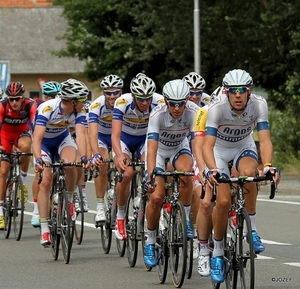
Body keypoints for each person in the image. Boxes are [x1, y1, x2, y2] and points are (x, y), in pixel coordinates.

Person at [202, 69, 281, 283]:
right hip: (218, 150)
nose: (238, 95)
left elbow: (264, 140)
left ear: (249, 91)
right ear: (226, 92)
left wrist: (268, 166)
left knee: (249, 174)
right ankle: (217, 253)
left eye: (242, 91)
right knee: (224, 201)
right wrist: (211, 169)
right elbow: (207, 145)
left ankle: (252, 231)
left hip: (243, 146)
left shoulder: (259, 104)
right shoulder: (216, 108)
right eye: (233, 91)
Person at [143, 79, 200, 267]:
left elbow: (196, 145)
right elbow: (151, 150)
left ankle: (184, 219)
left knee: (187, 172)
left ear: (186, 101)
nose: (176, 108)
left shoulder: (194, 112)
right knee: (157, 197)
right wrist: (151, 175)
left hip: (179, 147)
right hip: (158, 150)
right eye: (173, 104)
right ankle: (150, 241)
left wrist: (200, 169)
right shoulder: (157, 114)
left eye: (181, 103)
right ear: (166, 101)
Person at [33, 78, 90, 246]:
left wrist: (85, 156)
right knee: (46, 182)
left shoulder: (80, 111)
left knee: (71, 165)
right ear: (72, 101)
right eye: (82, 100)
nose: (84, 103)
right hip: (43, 143)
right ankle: (44, 229)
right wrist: (38, 160)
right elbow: (36, 139)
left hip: (62, 140)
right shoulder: (47, 108)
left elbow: (80, 135)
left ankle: (70, 199)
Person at [111, 73, 163, 241]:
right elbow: (115, 135)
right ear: (133, 95)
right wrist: (119, 155)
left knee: (152, 169)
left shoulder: (159, 101)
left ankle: (147, 202)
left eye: (148, 98)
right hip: (124, 139)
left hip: (145, 139)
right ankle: (120, 216)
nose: (145, 102)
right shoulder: (122, 102)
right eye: (141, 98)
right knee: (127, 173)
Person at [0, 82, 37, 229]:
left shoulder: (30, 105)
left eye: (17, 98)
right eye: (11, 99)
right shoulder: (2, 106)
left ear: (23, 98)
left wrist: (37, 143)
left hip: (21, 134)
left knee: (27, 147)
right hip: (4, 136)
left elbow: (35, 126)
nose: (14, 102)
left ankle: (22, 180)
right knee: (3, 170)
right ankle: (0, 211)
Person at [182, 71, 211, 261]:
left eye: (197, 92)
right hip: (180, 143)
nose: (194, 96)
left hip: (199, 145)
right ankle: (185, 221)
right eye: (190, 92)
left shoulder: (208, 103)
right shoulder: (177, 104)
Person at [89, 74, 124, 225]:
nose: (112, 96)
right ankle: (100, 208)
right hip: (102, 138)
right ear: (103, 93)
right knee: (102, 163)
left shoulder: (125, 103)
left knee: (123, 164)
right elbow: (92, 134)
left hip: (121, 137)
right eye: (108, 92)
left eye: (115, 92)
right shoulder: (96, 106)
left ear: (121, 92)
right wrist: (95, 153)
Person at [31, 81, 62, 227]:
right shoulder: (40, 108)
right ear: (45, 96)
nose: (52, 98)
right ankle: (37, 210)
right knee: (41, 175)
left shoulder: (61, 109)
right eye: (49, 96)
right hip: (42, 144)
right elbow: (35, 135)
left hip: (59, 142)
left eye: (55, 95)